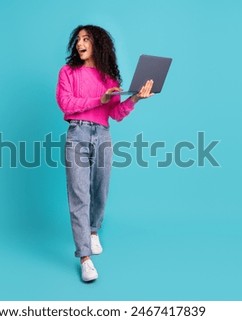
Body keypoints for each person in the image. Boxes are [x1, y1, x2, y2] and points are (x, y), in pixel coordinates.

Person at [56, 25, 154, 282]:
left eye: (86, 39)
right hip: (77, 134)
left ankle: (93, 229)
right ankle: (85, 258)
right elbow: (66, 104)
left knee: (100, 188)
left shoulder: (109, 79)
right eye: (78, 39)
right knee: (79, 194)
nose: (80, 43)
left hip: (102, 135)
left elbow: (115, 114)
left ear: (98, 43)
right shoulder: (68, 72)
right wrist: (97, 101)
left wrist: (135, 99)